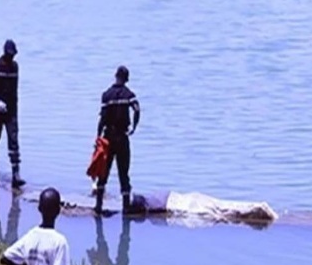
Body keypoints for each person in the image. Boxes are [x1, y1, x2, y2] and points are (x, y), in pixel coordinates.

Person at [94, 65, 140, 215]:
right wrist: (133, 127)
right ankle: (126, 207)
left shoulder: (106, 95)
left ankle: (99, 205)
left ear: (115, 76)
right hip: (122, 137)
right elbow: (137, 109)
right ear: (126, 79)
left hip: (108, 138)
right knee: (123, 172)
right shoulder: (129, 94)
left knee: (103, 172)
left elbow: (102, 118)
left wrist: (98, 136)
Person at [0, 39, 25, 188]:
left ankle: (16, 174)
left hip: (11, 110)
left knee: (13, 140)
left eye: (13, 55)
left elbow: (15, 91)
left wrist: (14, 112)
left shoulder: (15, 67)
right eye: (9, 55)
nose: (11, 58)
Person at [123, 190, 278, 224]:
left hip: (183, 204)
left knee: (222, 214)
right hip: (183, 199)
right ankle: (257, 210)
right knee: (221, 208)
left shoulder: (147, 205)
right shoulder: (149, 199)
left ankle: (257, 210)